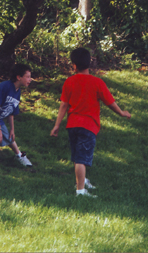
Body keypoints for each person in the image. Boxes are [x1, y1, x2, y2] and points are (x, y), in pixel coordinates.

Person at [50, 47, 131, 197]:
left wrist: (57, 125)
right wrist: (121, 112)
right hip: (88, 126)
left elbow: (63, 105)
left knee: (76, 155)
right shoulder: (97, 82)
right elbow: (110, 102)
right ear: (89, 63)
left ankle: (82, 180)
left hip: (72, 125)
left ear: (74, 65)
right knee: (81, 158)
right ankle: (80, 191)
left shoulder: (69, 81)